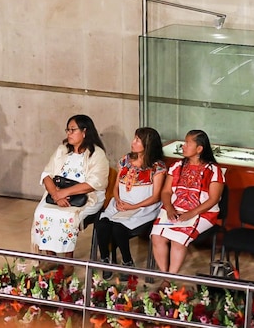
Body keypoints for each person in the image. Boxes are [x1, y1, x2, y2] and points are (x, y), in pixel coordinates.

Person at [31, 114, 109, 269]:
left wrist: (64, 193)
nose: (69, 133)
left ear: (85, 131)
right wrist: (55, 194)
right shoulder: (62, 150)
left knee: (67, 216)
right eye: (68, 130)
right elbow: (47, 174)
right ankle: (51, 258)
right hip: (58, 194)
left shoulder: (97, 154)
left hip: (87, 196)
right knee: (42, 212)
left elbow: (94, 183)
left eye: (73, 130)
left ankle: (68, 262)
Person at [150, 129, 224, 274]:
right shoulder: (177, 166)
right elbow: (166, 192)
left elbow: (213, 199)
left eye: (187, 143)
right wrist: (169, 208)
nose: (183, 146)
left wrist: (191, 213)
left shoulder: (213, 170)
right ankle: (165, 274)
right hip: (175, 209)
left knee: (178, 239)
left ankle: (168, 279)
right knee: (157, 237)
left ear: (199, 149)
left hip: (202, 213)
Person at [95, 127, 167, 275]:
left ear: (148, 144)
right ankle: (105, 260)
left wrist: (134, 206)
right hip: (120, 205)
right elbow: (115, 186)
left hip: (143, 208)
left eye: (137, 140)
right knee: (101, 224)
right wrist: (118, 200)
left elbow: (156, 196)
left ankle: (127, 262)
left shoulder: (157, 167)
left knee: (118, 227)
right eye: (134, 138)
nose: (133, 142)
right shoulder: (124, 160)